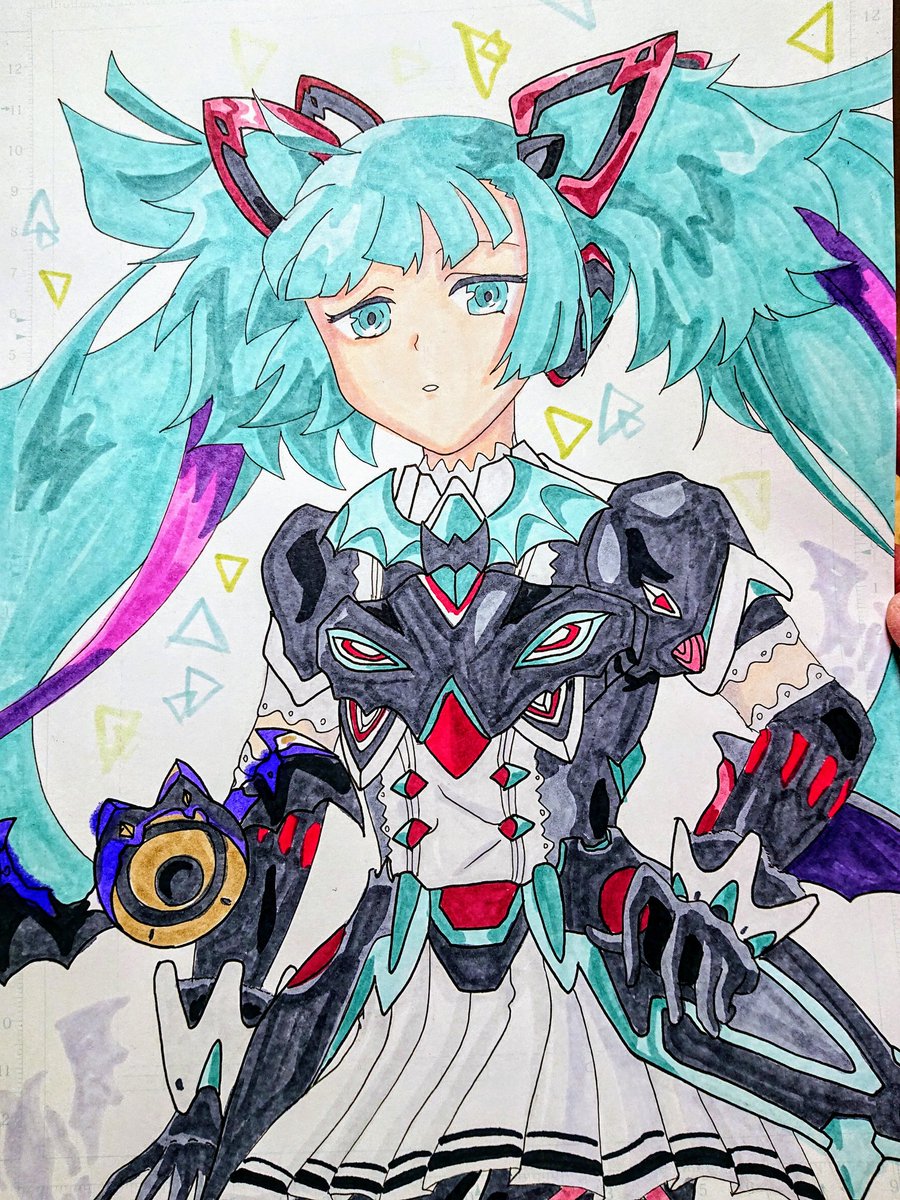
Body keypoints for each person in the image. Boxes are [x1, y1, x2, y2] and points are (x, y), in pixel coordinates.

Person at [1, 33, 897, 1200]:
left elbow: (809, 717)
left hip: (611, 953)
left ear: (568, 294)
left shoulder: (642, 535)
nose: (425, 353)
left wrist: (743, 858)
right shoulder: (324, 565)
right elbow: (294, 784)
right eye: (367, 313)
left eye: (481, 294)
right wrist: (218, 883)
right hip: (385, 982)